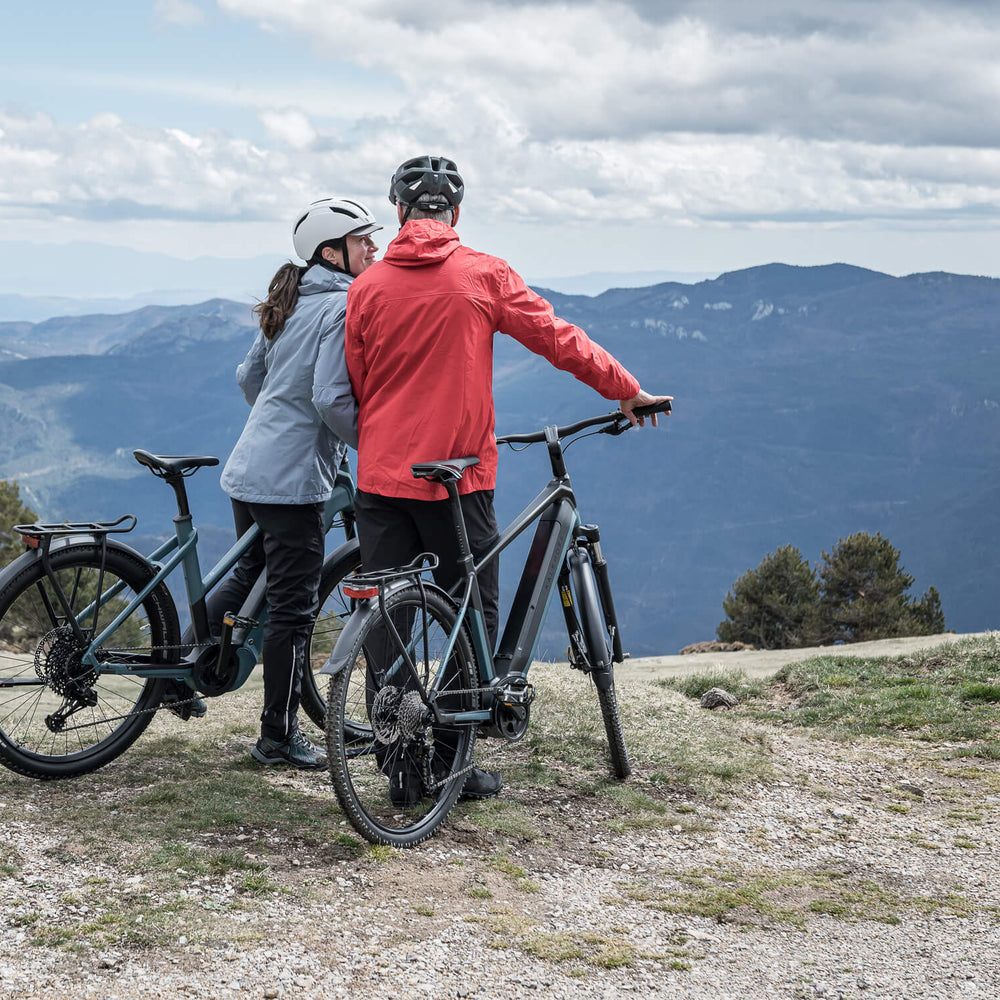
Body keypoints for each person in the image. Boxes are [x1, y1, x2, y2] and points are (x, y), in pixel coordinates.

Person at [341, 155, 670, 800]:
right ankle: (456, 762)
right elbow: (556, 338)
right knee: (473, 609)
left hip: (380, 475)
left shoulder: (367, 287)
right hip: (455, 478)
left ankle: (403, 772)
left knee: (386, 618)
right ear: (455, 214)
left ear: (399, 214)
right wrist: (625, 389)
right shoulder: (483, 274)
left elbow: (358, 379)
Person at [164, 196, 381, 769]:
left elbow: (248, 377)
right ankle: (277, 737)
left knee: (250, 574)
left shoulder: (292, 300)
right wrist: (374, 443)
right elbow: (331, 399)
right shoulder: (339, 308)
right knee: (293, 609)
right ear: (332, 253)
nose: (374, 249)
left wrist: (277, 418)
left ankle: (178, 669)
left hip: (251, 468)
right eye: (363, 242)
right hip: (289, 481)